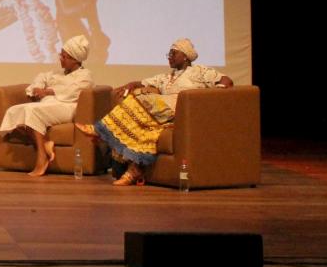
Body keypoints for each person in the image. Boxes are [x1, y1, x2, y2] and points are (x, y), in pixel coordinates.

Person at [77, 38, 233, 186]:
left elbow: (226, 81)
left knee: (142, 99)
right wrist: (131, 84)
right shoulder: (167, 77)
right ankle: (133, 171)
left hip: (185, 110)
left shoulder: (200, 71)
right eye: (169, 54)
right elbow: (142, 82)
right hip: (164, 115)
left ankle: (101, 131)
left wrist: (210, 98)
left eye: (173, 53)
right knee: (147, 129)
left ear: (185, 56)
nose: (169, 57)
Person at [0, 35, 93, 177]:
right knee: (14, 111)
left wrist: (48, 91)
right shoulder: (57, 73)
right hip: (49, 105)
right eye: (61, 55)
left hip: (67, 107)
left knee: (32, 111)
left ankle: (42, 158)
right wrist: (37, 87)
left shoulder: (85, 76)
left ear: (75, 59)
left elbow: (72, 92)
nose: (60, 58)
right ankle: (45, 143)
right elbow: (42, 77)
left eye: (64, 56)